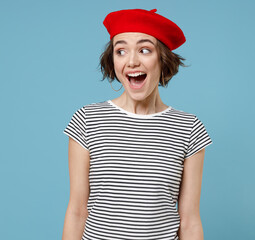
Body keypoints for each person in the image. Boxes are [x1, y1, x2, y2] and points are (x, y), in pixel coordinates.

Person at [62, 8, 213, 240]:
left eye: (144, 50)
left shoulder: (189, 128)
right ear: (113, 61)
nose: (132, 61)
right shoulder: (87, 120)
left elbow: (190, 220)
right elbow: (77, 211)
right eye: (120, 51)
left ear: (162, 59)